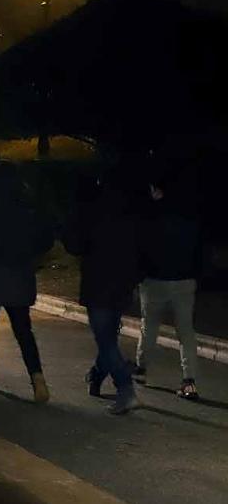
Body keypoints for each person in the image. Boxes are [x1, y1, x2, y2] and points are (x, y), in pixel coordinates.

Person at [0, 160, 54, 403]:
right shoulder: (26, 213)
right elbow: (44, 240)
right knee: (23, 331)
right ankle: (37, 378)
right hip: (19, 279)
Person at [65, 168, 144, 415]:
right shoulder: (132, 213)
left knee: (106, 340)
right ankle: (97, 375)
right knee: (108, 337)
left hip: (99, 284)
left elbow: (75, 244)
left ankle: (125, 388)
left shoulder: (92, 210)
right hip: (121, 285)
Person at [135, 173, 202, 400]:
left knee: (149, 326)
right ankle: (189, 380)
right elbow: (199, 250)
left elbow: (142, 248)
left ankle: (142, 369)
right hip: (184, 280)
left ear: (156, 190)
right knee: (186, 331)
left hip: (155, 279)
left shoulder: (150, 216)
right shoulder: (189, 216)